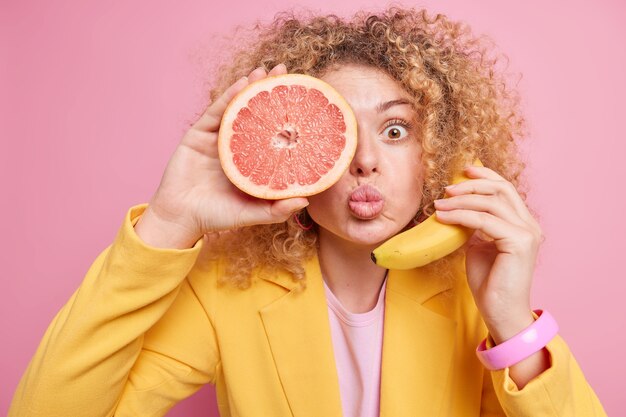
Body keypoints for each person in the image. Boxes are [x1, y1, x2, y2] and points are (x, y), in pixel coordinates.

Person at [8, 7, 607, 417]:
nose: (365, 161)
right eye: (338, 132)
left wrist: (510, 321)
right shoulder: (222, 295)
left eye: (396, 130)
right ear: (290, 152)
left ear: (439, 154)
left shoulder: (476, 298)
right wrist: (166, 224)